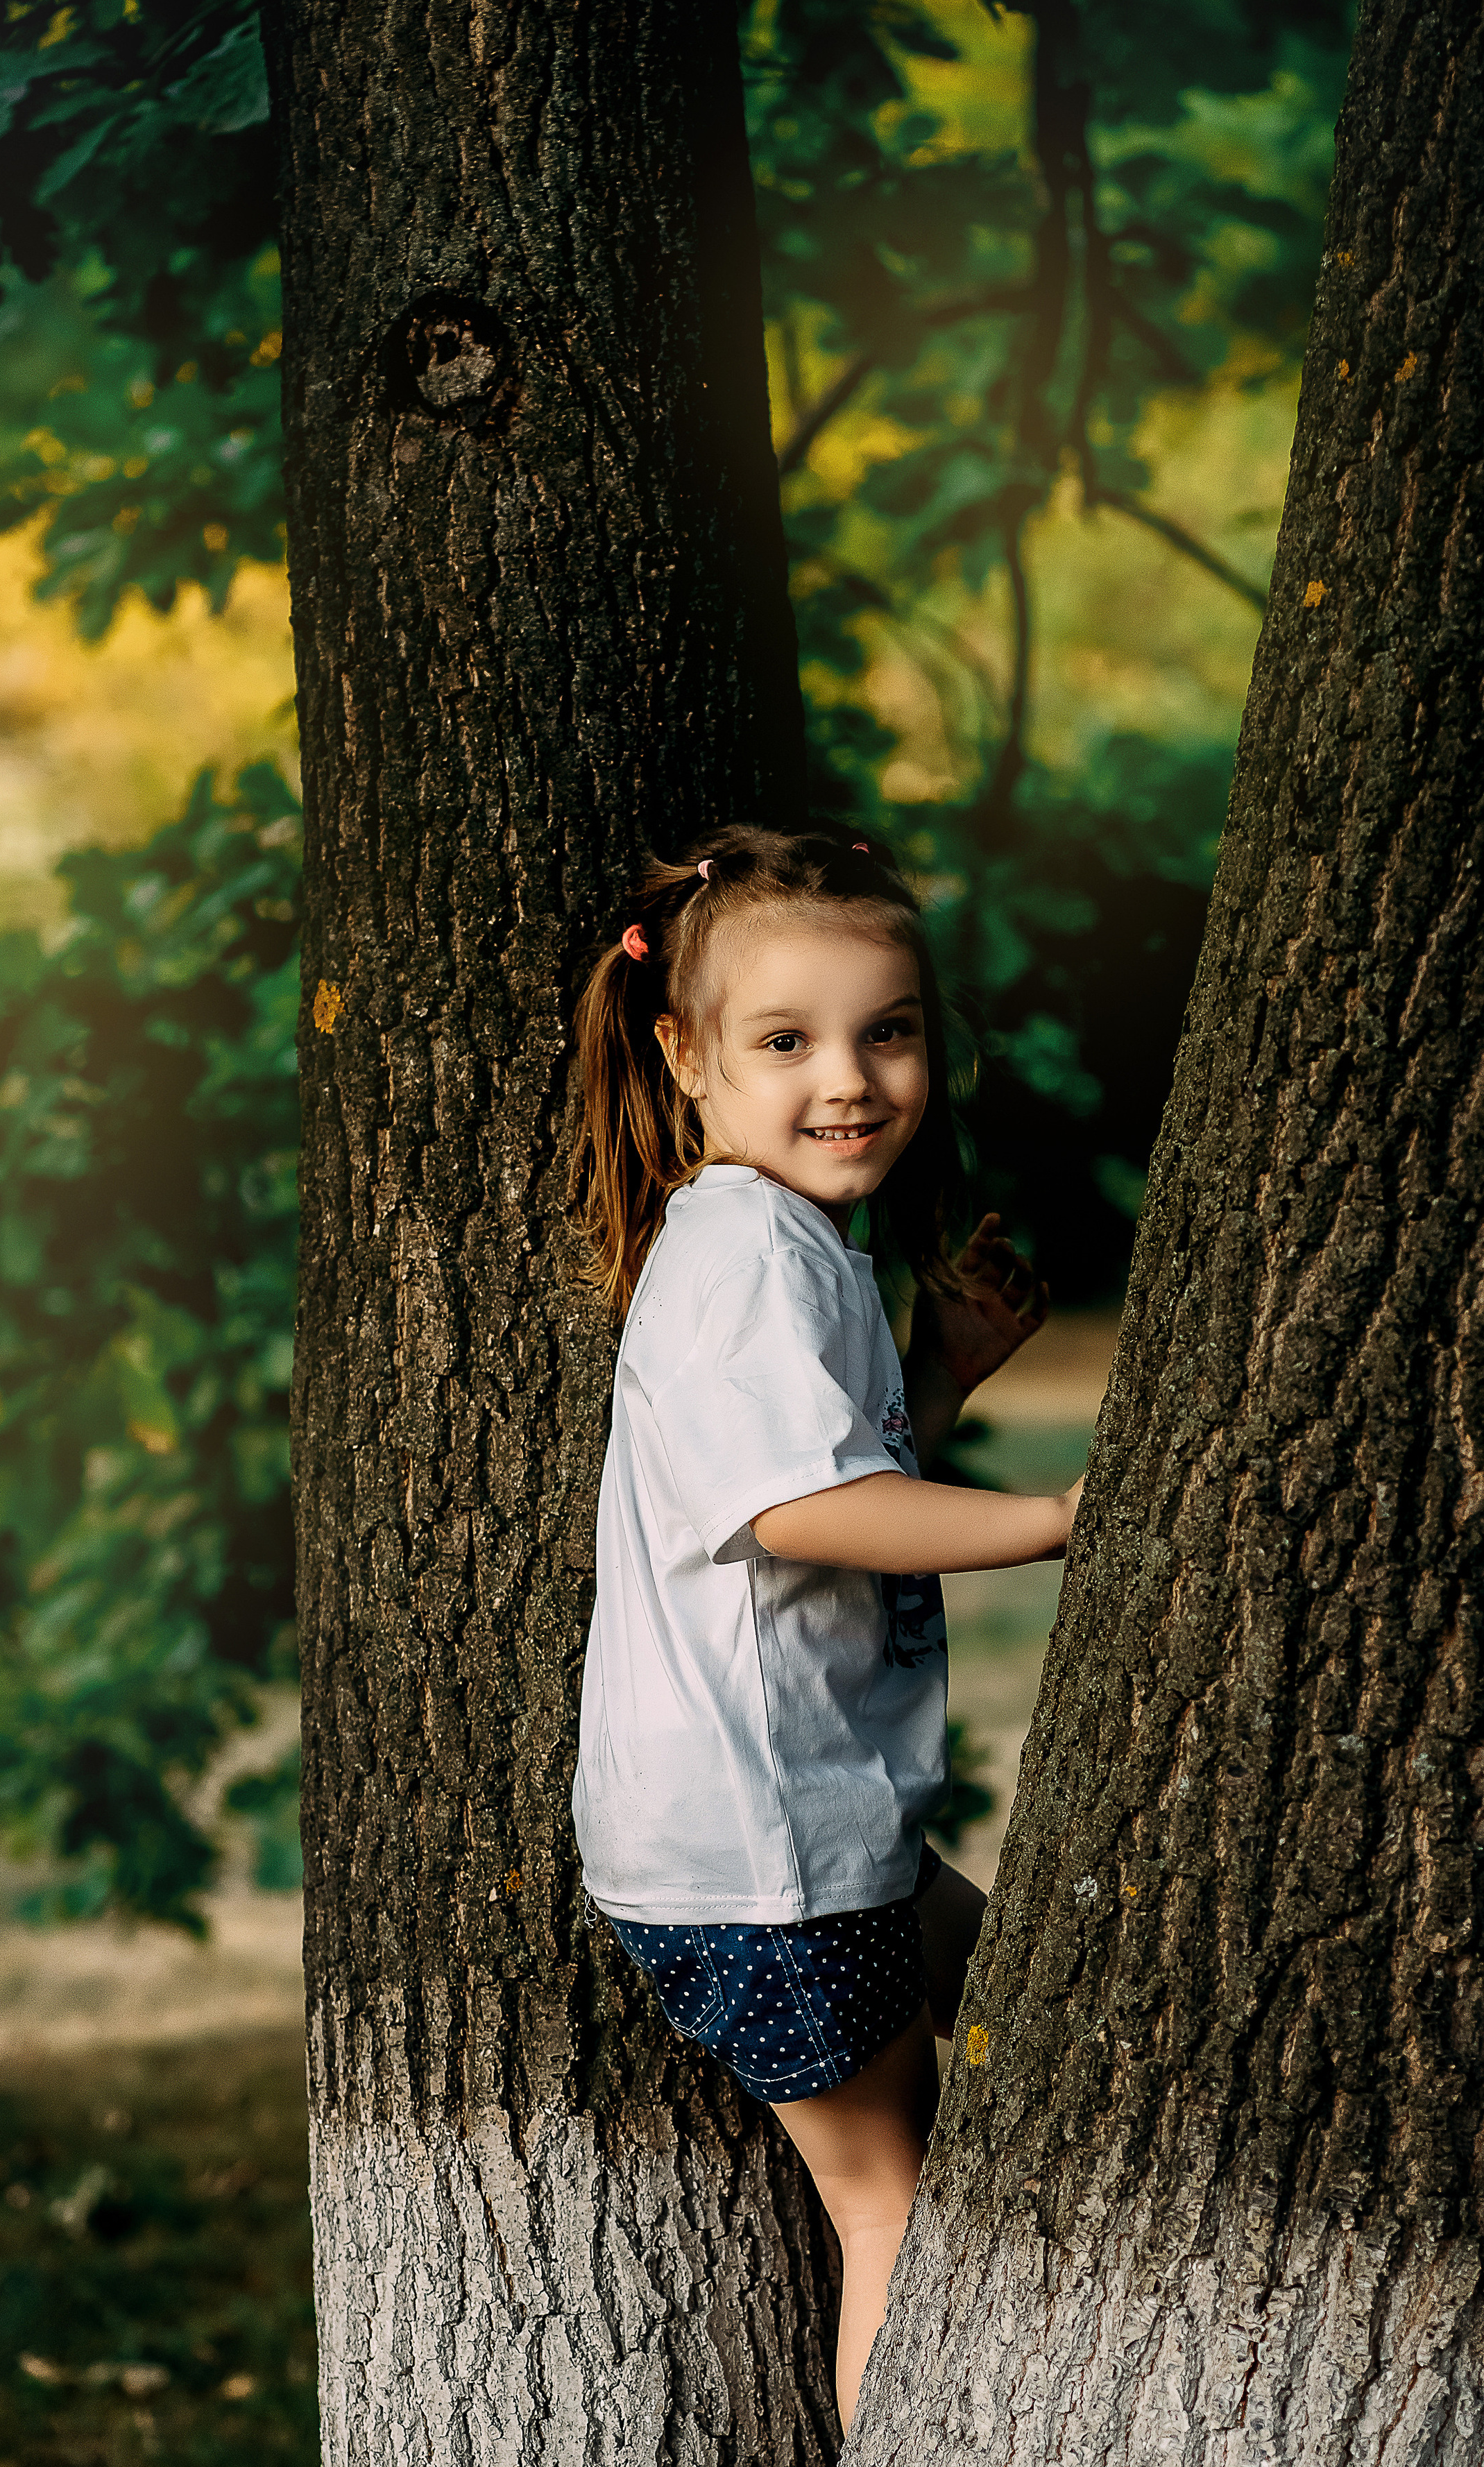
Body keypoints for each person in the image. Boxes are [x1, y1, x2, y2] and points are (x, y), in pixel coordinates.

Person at [568, 821, 1082, 2434]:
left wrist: (937, 1374)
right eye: (784, 1042)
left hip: (789, 1830)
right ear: (687, 1060)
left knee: (1042, 1998)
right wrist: (1074, 1521)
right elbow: (798, 1515)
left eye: (888, 1031)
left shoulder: (788, 1244)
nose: (845, 1078)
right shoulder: (743, 1257)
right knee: (889, 2207)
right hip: (760, 1861)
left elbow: (817, 1486)